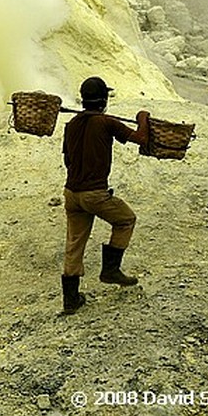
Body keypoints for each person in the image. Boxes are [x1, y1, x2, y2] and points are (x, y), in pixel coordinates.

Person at [60, 77, 150, 315]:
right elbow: (141, 139)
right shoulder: (107, 122)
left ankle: (71, 300)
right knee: (125, 220)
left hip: (71, 193)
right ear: (104, 99)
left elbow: (67, 159)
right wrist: (143, 117)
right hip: (94, 194)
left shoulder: (71, 125)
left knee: (74, 243)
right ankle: (110, 270)